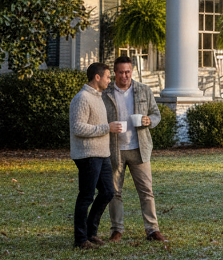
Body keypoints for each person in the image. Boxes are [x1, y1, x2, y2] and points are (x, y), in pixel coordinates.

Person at [103, 55, 167, 243]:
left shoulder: (143, 90)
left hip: (140, 148)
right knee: (114, 192)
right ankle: (117, 230)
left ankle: (152, 229)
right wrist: (108, 126)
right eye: (121, 72)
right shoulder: (105, 93)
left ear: (132, 71)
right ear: (114, 73)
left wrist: (150, 121)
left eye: (128, 72)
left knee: (146, 190)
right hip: (114, 149)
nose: (125, 76)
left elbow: (156, 114)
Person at [69, 62, 122, 249]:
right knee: (86, 196)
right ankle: (80, 239)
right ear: (97, 77)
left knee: (108, 192)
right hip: (87, 154)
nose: (110, 80)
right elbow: (78, 128)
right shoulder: (82, 98)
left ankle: (91, 233)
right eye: (108, 76)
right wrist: (107, 128)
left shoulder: (98, 97)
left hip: (102, 153)